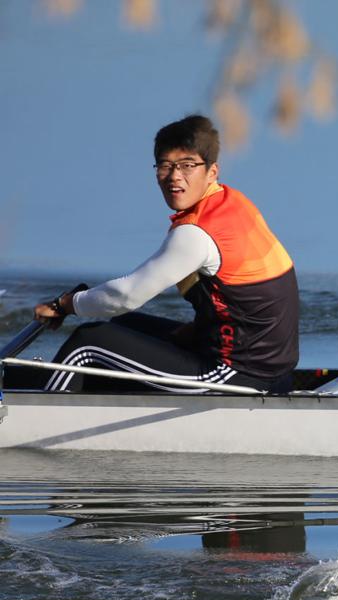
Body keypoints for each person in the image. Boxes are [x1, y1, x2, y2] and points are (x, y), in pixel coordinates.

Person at [33, 114, 299, 394]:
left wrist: (64, 305)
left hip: (235, 376)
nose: (174, 177)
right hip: (270, 370)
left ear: (212, 171)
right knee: (125, 325)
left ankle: (35, 421)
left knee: (88, 342)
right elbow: (240, 305)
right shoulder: (232, 203)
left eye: (187, 166)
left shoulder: (196, 233)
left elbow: (126, 296)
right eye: (165, 166)